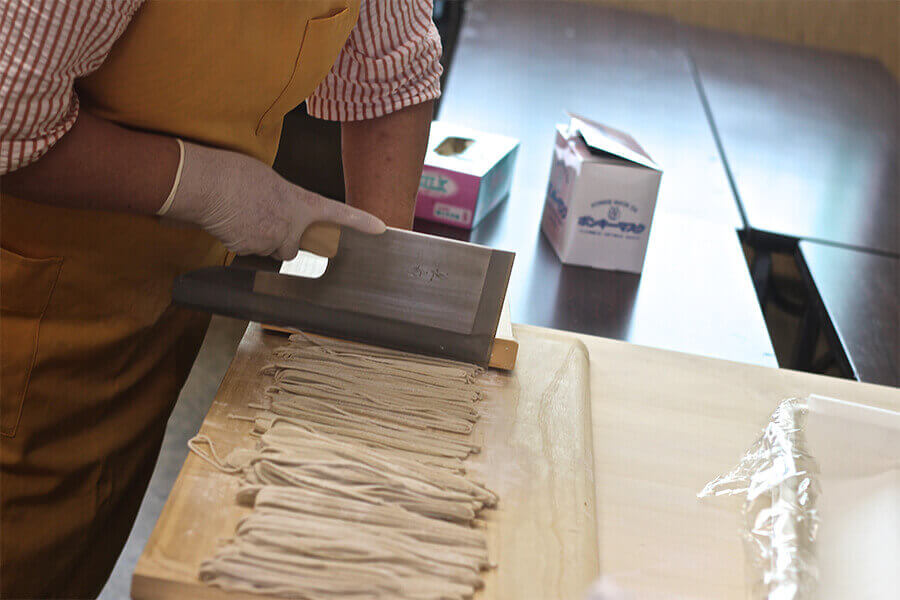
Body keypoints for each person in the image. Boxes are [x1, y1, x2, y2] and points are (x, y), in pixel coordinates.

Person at [0, 1, 442, 597]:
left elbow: (391, 65)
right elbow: (6, 120)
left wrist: (380, 295)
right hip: (21, 308)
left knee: (71, 553)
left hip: (156, 304)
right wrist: (208, 187)